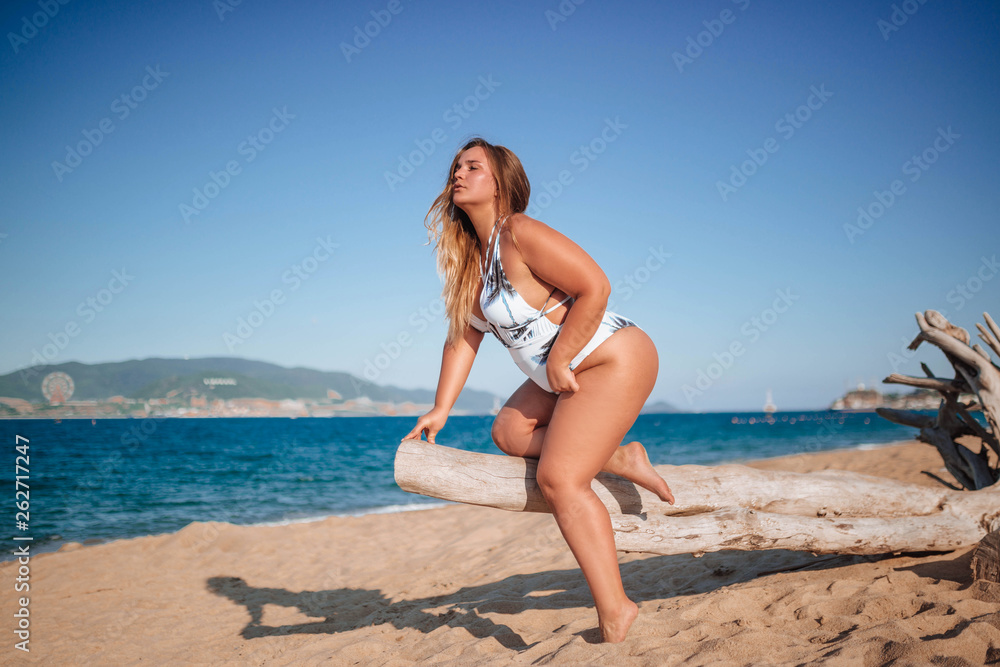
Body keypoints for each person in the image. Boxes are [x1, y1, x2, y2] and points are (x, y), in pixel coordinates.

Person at [403, 137, 674, 643]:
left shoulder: (519, 231)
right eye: (456, 167)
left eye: (473, 167)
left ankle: (616, 609)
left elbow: (596, 284)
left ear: (501, 183)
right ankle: (618, 456)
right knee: (507, 430)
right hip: (564, 371)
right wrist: (440, 409)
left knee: (560, 480)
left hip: (611, 356)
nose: (458, 174)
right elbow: (462, 340)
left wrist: (564, 357)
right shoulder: (475, 262)